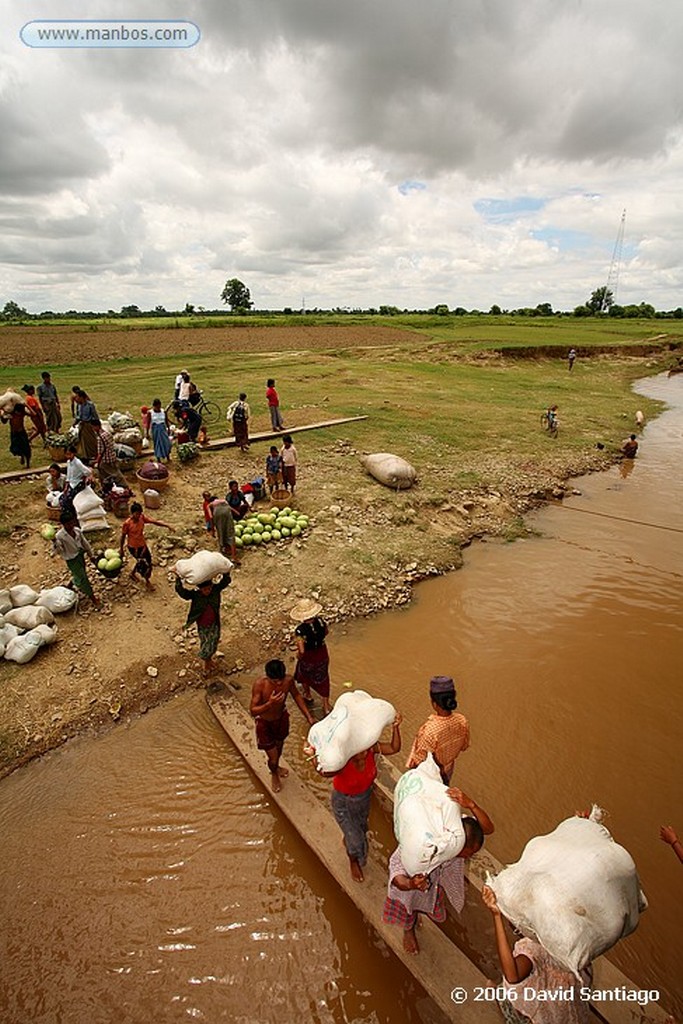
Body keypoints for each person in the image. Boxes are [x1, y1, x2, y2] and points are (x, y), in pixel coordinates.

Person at [384, 787, 494, 954]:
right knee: (409, 908)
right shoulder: (423, 845)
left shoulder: (459, 828)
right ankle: (409, 930)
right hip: (412, 888)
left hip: (435, 883)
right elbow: (397, 871)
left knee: (429, 901)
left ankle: (420, 913)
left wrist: (471, 805)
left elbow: (487, 829)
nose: (468, 857)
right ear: (456, 845)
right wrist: (412, 883)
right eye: (467, 853)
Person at [481, 885, 592, 1023]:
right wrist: (497, 916)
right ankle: (502, 997)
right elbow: (513, 974)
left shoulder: (541, 946)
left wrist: (497, 916)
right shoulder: (534, 949)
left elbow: (513, 975)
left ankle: (501, 996)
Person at [330, 713, 402, 882]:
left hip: (363, 798)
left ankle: (349, 838)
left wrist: (396, 727)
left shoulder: (371, 748)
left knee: (361, 829)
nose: (364, 754)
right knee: (356, 841)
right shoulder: (342, 759)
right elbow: (325, 772)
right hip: (343, 802)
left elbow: (394, 748)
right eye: (359, 751)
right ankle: (353, 860)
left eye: (365, 749)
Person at [250, 659, 315, 793]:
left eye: (280, 679)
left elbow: (296, 695)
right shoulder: (260, 685)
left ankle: (276, 767)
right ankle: (274, 774)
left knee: (279, 749)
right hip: (264, 723)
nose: (279, 683)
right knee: (272, 757)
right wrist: (269, 704)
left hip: (281, 720)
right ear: (268, 677)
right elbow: (252, 710)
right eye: (275, 681)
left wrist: (309, 717)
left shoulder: (288, 680)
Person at [406, 675, 470, 784]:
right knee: (444, 788)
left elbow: (420, 760)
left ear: (434, 704)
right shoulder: (462, 721)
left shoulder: (429, 730)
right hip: (448, 768)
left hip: (430, 775)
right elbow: (464, 746)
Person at [174, 570, 231, 676]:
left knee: (214, 640)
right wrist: (178, 580)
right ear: (200, 589)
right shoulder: (196, 595)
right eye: (205, 589)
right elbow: (183, 593)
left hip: (214, 622)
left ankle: (208, 660)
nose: (207, 591)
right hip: (203, 625)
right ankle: (206, 661)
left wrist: (226, 571)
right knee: (206, 643)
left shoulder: (215, 590)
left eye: (209, 588)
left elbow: (226, 581)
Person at [290, 598, 332, 715]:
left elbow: (302, 650)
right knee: (323, 678)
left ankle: (308, 695)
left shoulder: (300, 630)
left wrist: (298, 655)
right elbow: (326, 632)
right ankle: (326, 706)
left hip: (309, 656)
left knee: (304, 675)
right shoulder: (321, 622)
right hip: (322, 653)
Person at [52, 510, 101, 608]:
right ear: (63, 524)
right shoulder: (60, 536)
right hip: (71, 560)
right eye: (68, 524)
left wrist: (91, 555)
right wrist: (54, 542)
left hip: (80, 556)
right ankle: (93, 598)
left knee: (80, 573)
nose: (71, 525)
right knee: (83, 578)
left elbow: (85, 543)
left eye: (72, 522)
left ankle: (71, 584)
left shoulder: (77, 531)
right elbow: (59, 551)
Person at [119, 501, 171, 590]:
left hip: (143, 546)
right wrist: (121, 549)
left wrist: (167, 525)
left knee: (146, 562)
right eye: (137, 514)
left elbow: (154, 522)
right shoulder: (127, 524)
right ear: (132, 513)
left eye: (140, 513)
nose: (138, 516)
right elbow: (123, 536)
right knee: (143, 564)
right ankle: (147, 582)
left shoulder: (142, 518)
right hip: (134, 548)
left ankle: (132, 574)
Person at [93, 425, 127, 489]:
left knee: (114, 473)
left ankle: (124, 486)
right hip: (112, 456)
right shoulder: (107, 433)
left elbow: (100, 453)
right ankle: (106, 486)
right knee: (108, 472)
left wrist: (97, 462)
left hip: (106, 460)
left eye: (93, 427)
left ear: (96, 427)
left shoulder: (100, 438)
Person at [207, 495, 238, 561]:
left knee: (220, 532)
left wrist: (213, 530)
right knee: (231, 533)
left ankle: (222, 554)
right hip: (226, 510)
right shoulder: (223, 501)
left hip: (218, 512)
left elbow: (211, 517)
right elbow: (231, 508)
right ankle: (234, 557)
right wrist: (237, 513)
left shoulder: (210, 504)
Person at [1, 402, 32, 468]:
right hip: (14, 433)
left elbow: (33, 414)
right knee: (14, 449)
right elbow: (4, 421)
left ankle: (28, 463)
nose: (19, 414)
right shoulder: (11, 415)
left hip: (22, 433)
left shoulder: (23, 413)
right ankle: (22, 455)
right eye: (18, 412)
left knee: (26, 449)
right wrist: (2, 415)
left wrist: (27, 406)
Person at [73, 388, 101, 461]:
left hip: (89, 425)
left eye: (77, 397)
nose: (76, 399)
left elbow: (95, 416)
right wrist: (75, 422)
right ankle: (86, 456)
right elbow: (78, 416)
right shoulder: (79, 406)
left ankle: (94, 454)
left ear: (81, 397)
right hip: (82, 425)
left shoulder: (90, 405)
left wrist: (97, 425)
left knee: (91, 441)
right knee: (83, 441)